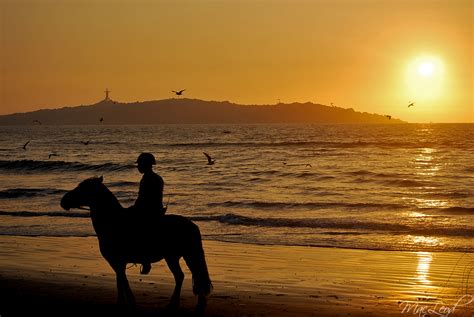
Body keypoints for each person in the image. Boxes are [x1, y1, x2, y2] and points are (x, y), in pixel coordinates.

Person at [131, 152, 166, 274]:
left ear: (146, 164)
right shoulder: (156, 178)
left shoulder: (148, 179)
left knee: (135, 230)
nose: (138, 166)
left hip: (149, 212)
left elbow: (143, 199)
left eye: (140, 164)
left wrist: (134, 208)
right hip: (157, 210)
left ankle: (145, 260)